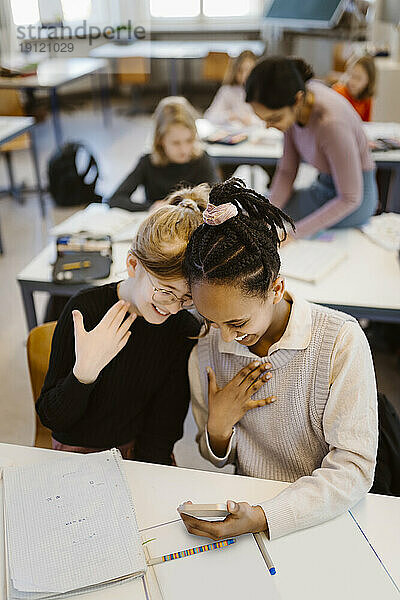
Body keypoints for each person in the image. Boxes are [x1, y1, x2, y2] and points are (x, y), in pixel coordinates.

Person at [179, 178, 377, 541]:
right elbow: (214, 457)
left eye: (238, 322)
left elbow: (353, 468)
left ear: (276, 288)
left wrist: (264, 517)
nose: (224, 337)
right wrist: (217, 430)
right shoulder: (206, 348)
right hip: (248, 514)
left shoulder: (339, 342)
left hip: (325, 516)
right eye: (210, 320)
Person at [36, 184, 210, 464]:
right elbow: (52, 417)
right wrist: (84, 374)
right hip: (76, 454)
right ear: (133, 265)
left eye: (187, 298)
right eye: (165, 290)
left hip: (137, 457)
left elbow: (162, 430)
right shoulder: (86, 310)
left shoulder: (182, 330)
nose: (174, 307)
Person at [245, 57, 378, 239]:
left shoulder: (332, 124)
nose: (268, 126)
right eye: (263, 119)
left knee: (287, 225)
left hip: (355, 201)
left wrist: (293, 236)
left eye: (274, 118)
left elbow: (350, 198)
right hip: (324, 187)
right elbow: (286, 171)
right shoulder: (294, 103)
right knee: (256, 210)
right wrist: (265, 216)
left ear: (298, 100)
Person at [108, 97, 219, 212]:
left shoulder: (202, 159)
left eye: (189, 140)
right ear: (160, 140)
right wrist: (150, 207)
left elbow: (218, 200)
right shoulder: (148, 162)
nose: (184, 149)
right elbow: (115, 199)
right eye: (176, 143)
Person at [204, 50, 260, 128]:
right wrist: (230, 115)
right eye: (240, 71)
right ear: (235, 71)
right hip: (235, 133)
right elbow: (209, 116)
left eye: (248, 71)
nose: (244, 76)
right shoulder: (227, 90)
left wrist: (251, 120)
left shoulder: (262, 90)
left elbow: (271, 118)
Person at [333, 55, 376, 122]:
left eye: (358, 78)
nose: (352, 81)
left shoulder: (367, 99)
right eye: (350, 75)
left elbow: (367, 125)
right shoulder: (338, 93)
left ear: (368, 81)